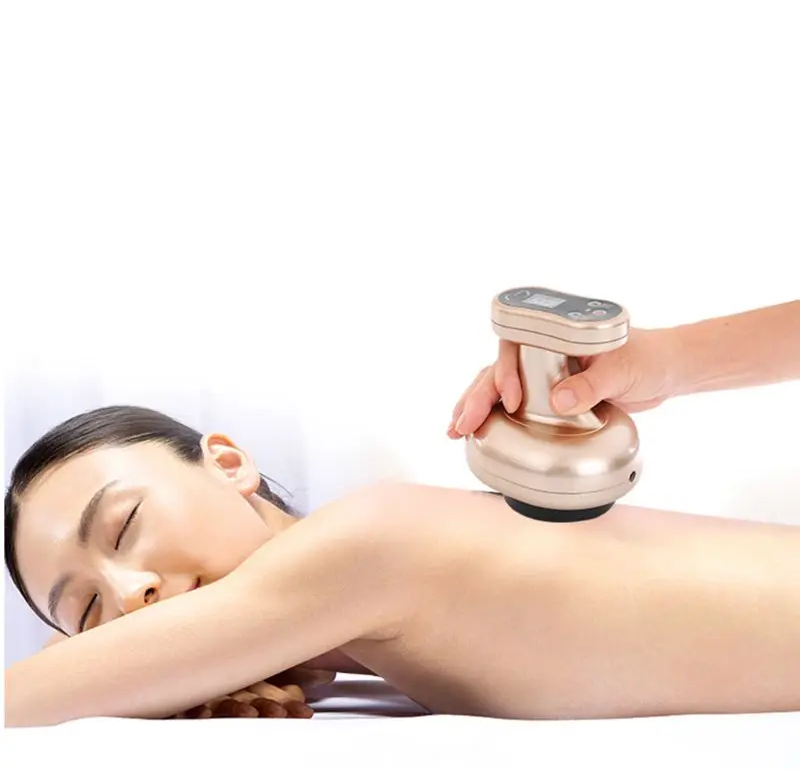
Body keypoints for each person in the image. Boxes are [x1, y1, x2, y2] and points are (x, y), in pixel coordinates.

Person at [4, 300, 799, 728]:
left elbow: (26, 697)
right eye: (89, 610)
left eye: (124, 527)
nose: (131, 592)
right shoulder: (345, 637)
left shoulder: (364, 541)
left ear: (229, 462)